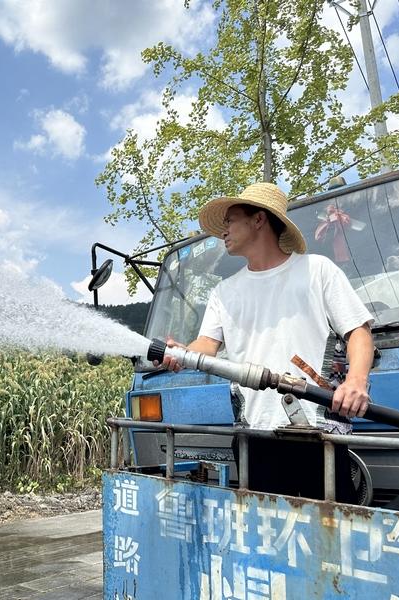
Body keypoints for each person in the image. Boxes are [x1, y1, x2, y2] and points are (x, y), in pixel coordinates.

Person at [158, 182, 374, 502]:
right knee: (267, 536)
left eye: (230, 221)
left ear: (259, 220)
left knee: (331, 534)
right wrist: (181, 353)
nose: (224, 232)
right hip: (253, 432)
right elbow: (207, 344)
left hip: (316, 430)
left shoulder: (316, 271)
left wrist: (356, 381)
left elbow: (358, 331)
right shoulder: (225, 292)